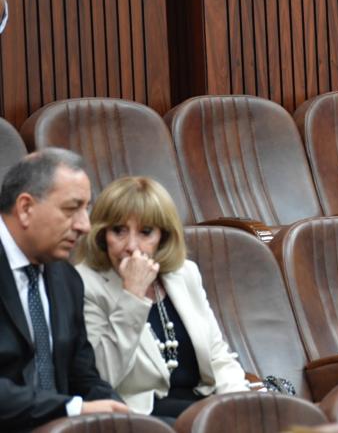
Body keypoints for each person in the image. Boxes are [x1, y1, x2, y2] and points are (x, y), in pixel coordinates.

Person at [75, 176, 249, 418]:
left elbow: (217, 356)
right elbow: (102, 375)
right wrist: (133, 295)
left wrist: (240, 404)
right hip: (140, 414)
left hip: (201, 405)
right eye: (118, 231)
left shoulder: (185, 273)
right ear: (102, 234)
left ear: (163, 237)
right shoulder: (84, 283)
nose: (131, 245)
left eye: (145, 232)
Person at [0, 149, 127, 431]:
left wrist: (125, 416)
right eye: (72, 209)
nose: (85, 226)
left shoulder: (66, 279)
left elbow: (83, 378)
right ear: (26, 208)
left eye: (86, 209)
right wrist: (72, 408)